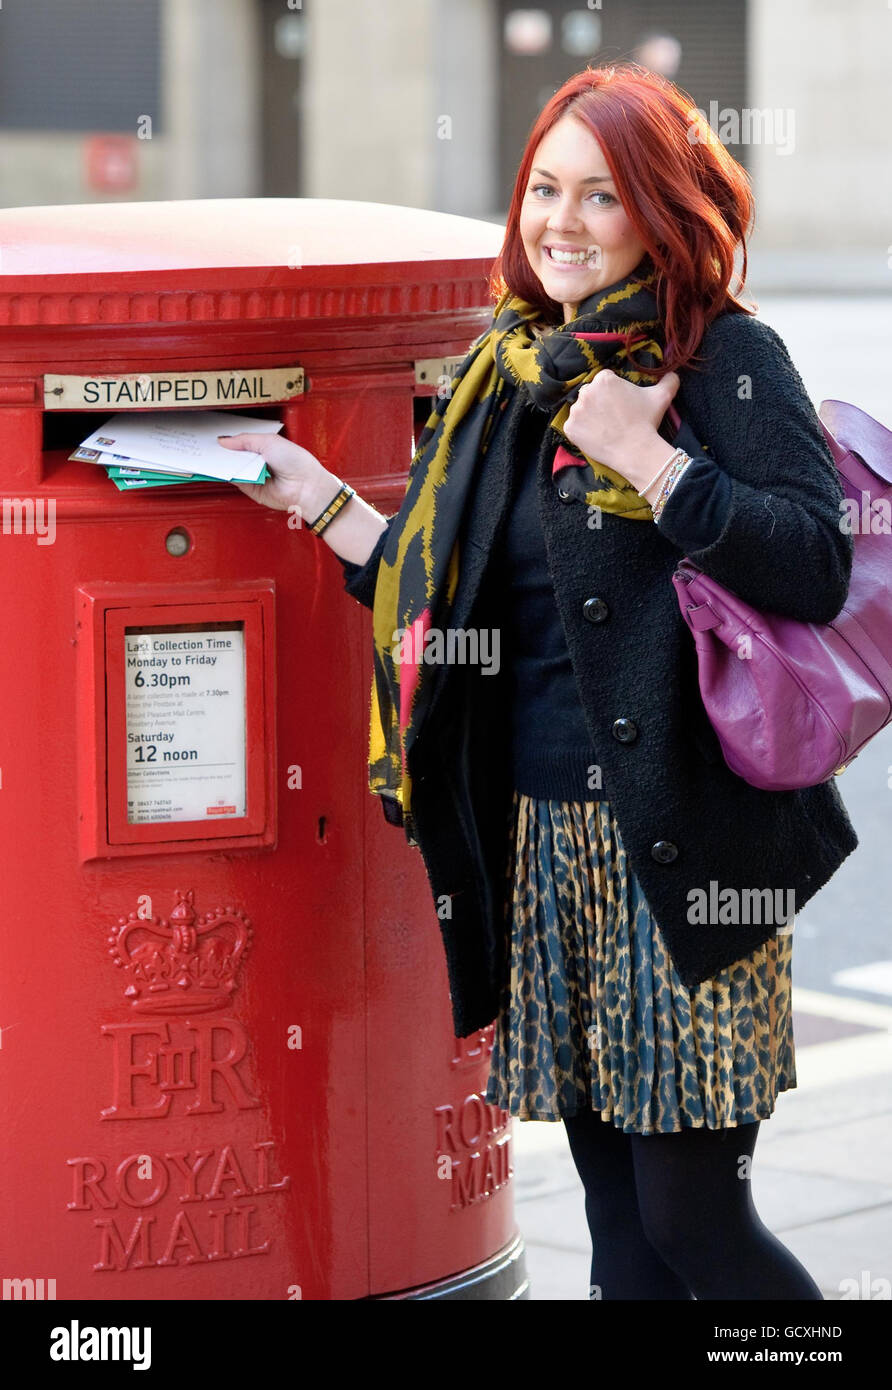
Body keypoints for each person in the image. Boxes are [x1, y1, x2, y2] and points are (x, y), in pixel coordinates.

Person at [219, 63, 858, 1300]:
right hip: (543, 850)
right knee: (617, 1227)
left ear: (661, 210)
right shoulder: (509, 372)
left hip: (687, 855)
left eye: (601, 195)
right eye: (544, 189)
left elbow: (814, 562)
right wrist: (315, 499)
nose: (561, 222)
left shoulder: (722, 358)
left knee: (695, 1224)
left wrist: (655, 468)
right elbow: (447, 599)